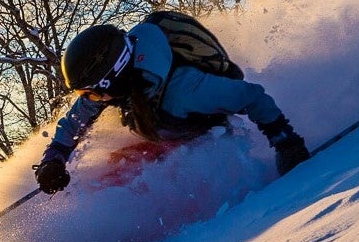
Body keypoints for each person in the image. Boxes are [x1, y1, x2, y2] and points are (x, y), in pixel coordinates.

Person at [34, 18, 310, 194]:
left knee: (142, 180)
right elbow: (75, 121)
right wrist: (54, 158)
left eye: (92, 93)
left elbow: (251, 96)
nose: (90, 99)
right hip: (167, 135)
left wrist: (286, 142)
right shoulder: (121, 85)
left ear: (113, 78)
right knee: (113, 173)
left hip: (206, 134)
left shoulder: (184, 89)